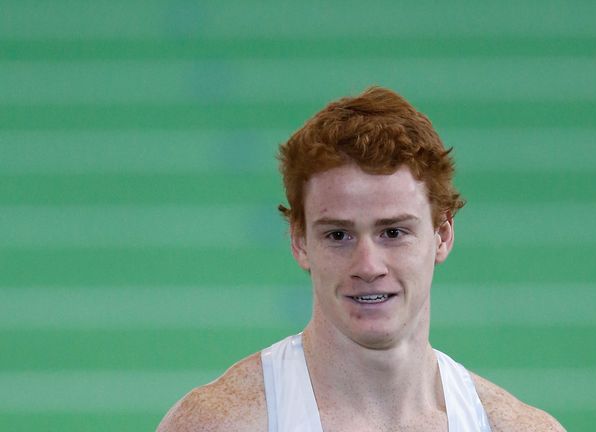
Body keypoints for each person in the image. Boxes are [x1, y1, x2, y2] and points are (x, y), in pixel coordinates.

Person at [157, 87, 565, 431]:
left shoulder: (513, 426)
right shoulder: (223, 423)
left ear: (442, 234)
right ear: (299, 242)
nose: (368, 266)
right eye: (338, 235)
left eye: (393, 232)